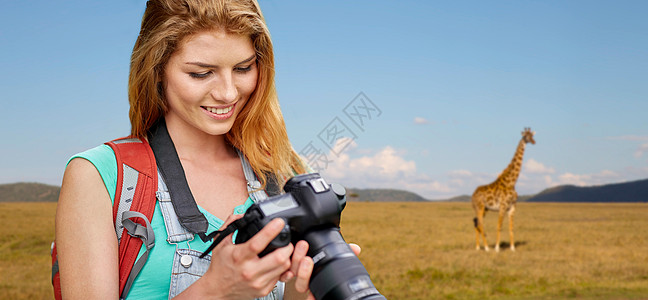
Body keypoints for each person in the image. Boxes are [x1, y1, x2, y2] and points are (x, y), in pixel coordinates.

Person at [55, 0, 359, 299]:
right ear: (157, 69)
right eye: (201, 73)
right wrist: (217, 289)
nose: (227, 93)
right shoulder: (99, 175)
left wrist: (302, 288)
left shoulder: (284, 170)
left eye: (243, 68)